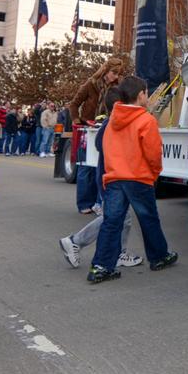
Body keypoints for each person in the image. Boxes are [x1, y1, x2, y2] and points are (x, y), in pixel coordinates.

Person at [86, 75, 178, 284]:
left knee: (112, 222)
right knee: (149, 220)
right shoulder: (146, 120)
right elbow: (153, 153)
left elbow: (106, 150)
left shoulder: (112, 122)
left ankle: (101, 266)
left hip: (114, 177)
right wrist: (153, 174)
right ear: (140, 95)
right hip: (138, 178)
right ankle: (159, 256)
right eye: (146, 92)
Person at [58, 87, 141, 270]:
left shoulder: (111, 123)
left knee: (120, 217)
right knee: (116, 217)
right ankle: (75, 241)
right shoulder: (113, 124)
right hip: (112, 180)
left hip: (110, 178)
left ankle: (118, 251)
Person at [69, 56, 129, 215]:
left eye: (118, 74)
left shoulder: (118, 87)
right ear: (106, 70)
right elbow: (74, 104)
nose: (115, 77)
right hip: (87, 129)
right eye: (113, 73)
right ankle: (84, 203)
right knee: (85, 167)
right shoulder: (90, 84)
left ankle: (98, 203)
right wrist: (77, 121)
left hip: (106, 128)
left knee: (101, 167)